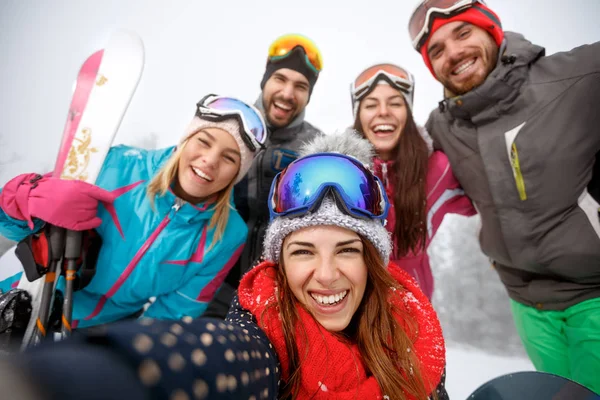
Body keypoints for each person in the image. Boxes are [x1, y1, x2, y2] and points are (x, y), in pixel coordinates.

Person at [4, 132, 448, 400]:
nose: (327, 273)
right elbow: (206, 357)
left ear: (373, 258)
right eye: (302, 251)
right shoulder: (264, 332)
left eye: (348, 250)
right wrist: (80, 378)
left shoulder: (411, 327)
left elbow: (172, 311)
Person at [408, 0, 600, 392]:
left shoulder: (576, 77)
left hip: (593, 293)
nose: (454, 53)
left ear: (492, 31)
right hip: (526, 302)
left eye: (463, 33)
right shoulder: (444, 127)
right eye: (438, 50)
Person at [0, 94, 266, 330]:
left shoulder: (227, 235)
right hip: (28, 293)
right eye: (204, 142)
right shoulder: (117, 165)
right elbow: (8, 225)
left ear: (237, 173)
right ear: (185, 140)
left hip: (101, 331)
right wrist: (28, 199)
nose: (210, 160)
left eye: (229, 158)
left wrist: (130, 356)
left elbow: (174, 312)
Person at [204, 33, 323, 318]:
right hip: (210, 287)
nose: (287, 93)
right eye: (280, 79)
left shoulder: (318, 149)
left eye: (300, 86)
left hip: (279, 301)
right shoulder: (230, 126)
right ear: (265, 80)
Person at [349, 62, 475, 299]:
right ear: (358, 116)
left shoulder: (438, 168)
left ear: (408, 114)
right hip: (353, 308)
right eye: (371, 105)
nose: (383, 111)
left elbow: (487, 199)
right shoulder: (339, 171)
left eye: (395, 103)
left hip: (413, 308)